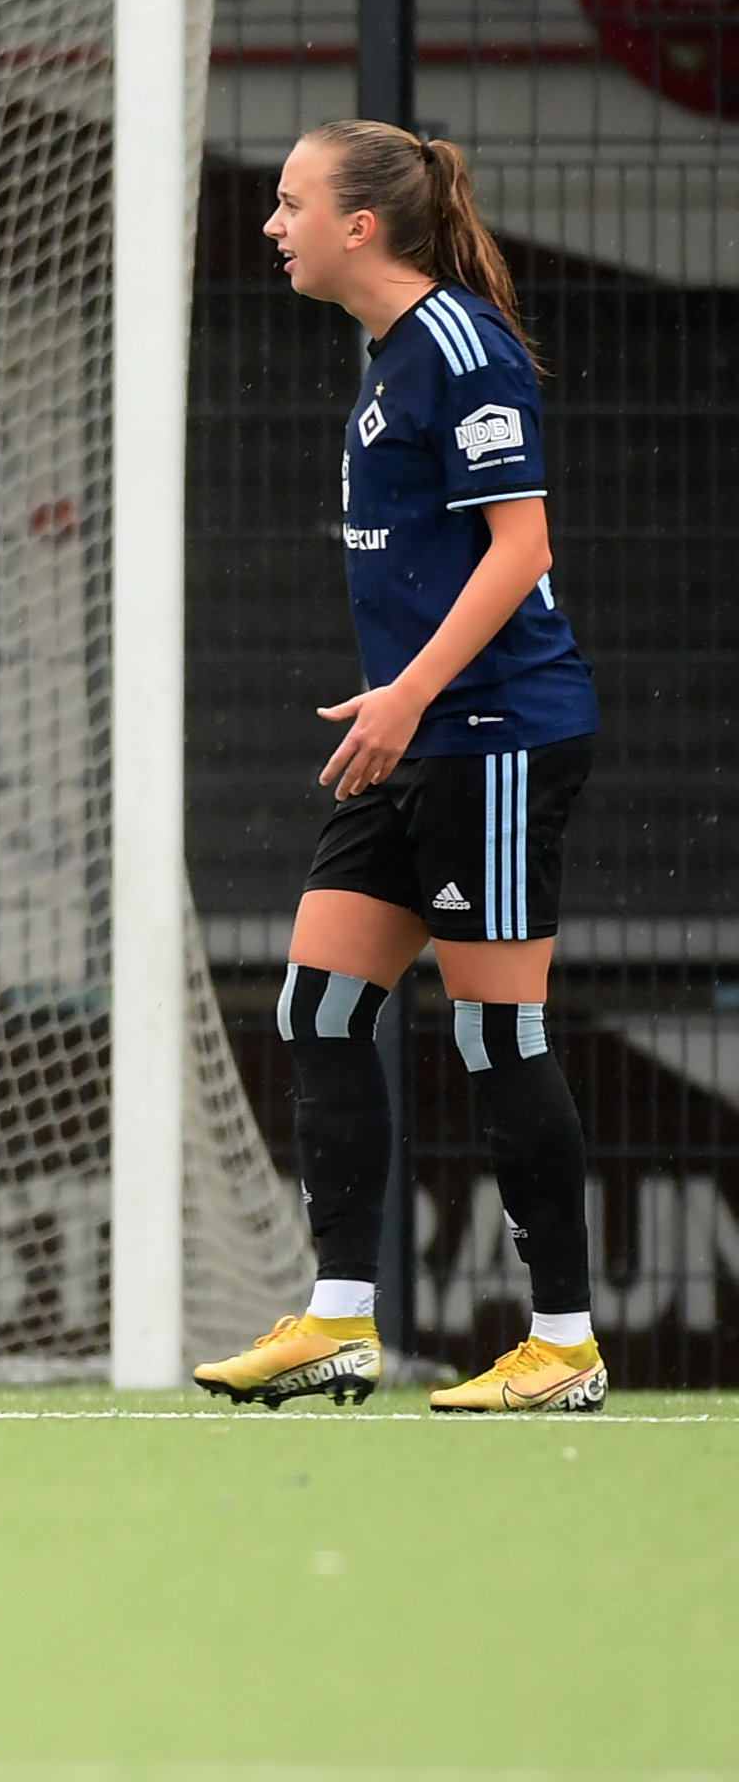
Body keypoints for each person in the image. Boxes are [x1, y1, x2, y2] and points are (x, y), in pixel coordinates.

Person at [195, 122, 605, 1416]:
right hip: (419, 737)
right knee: (319, 1008)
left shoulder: (464, 347)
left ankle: (565, 1344)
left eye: (291, 202)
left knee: (497, 1031)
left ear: (360, 226)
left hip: (495, 738)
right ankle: (338, 1323)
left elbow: (521, 546)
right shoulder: (389, 355)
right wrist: (403, 704)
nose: (273, 225)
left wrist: (415, 692)